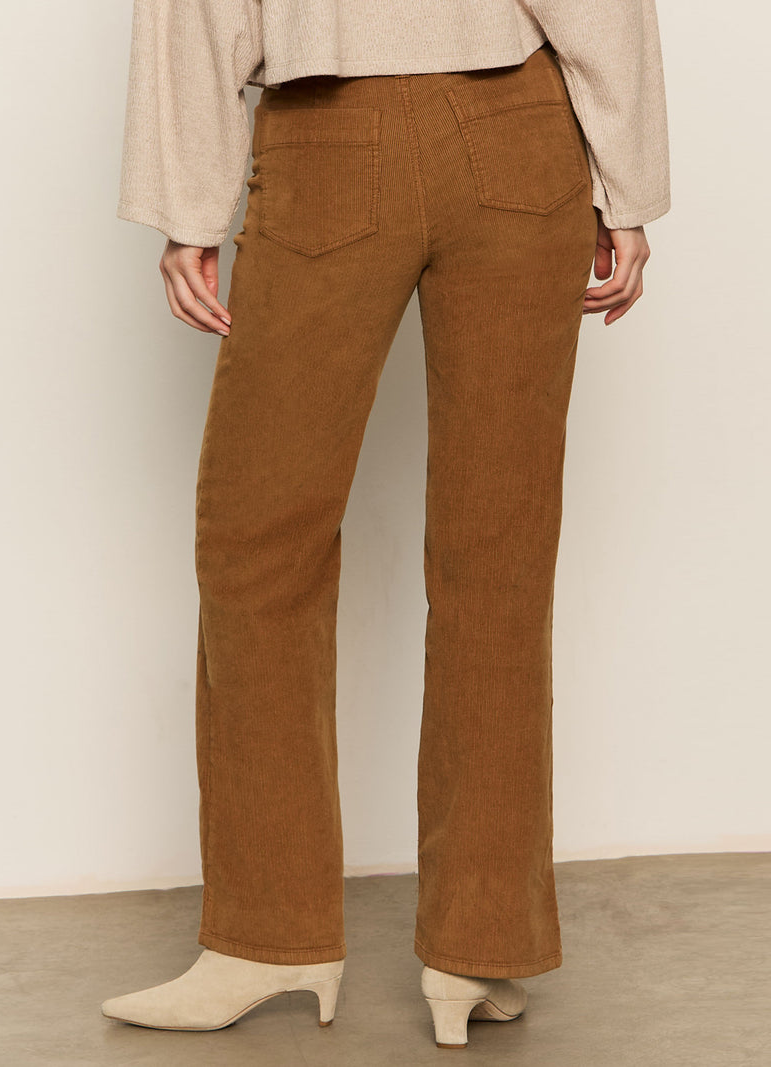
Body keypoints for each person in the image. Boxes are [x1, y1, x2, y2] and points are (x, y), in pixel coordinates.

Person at [102, 0, 671, 1050]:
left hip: (331, 136)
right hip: (520, 136)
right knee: (496, 555)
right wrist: (626, 183)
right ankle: (477, 945)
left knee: (260, 544)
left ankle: (268, 936)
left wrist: (188, 204)